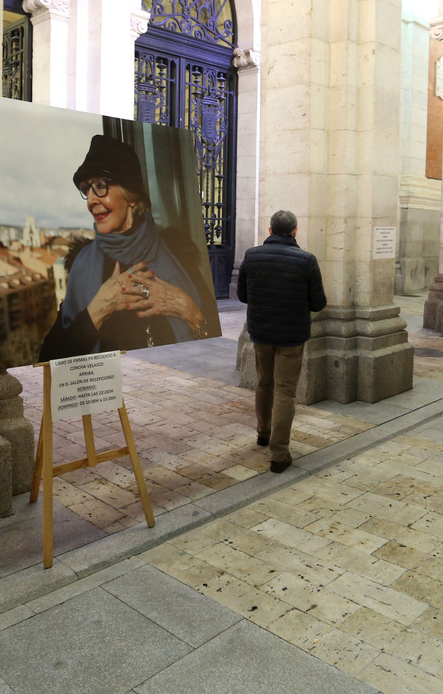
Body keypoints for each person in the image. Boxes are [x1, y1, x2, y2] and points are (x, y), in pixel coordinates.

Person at [40, 135, 213, 359]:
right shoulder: (81, 265)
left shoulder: (181, 256)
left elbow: (210, 339)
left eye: (101, 186)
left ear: (131, 196)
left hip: (172, 387)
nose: (91, 200)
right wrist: (99, 308)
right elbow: (49, 357)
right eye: (87, 190)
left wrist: (187, 309)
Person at [238, 210, 327, 474]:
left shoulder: (251, 256)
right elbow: (318, 303)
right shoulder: (306, 260)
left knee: (264, 383)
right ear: (295, 231)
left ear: (270, 230)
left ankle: (263, 433)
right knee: (285, 393)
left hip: (261, 334)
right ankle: (279, 454)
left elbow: (243, 296)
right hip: (291, 337)